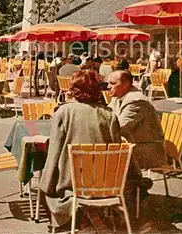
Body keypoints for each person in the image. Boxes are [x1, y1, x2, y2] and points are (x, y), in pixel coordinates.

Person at [39, 70, 124, 230]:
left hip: (73, 182)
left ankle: (82, 218)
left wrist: (46, 182)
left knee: (48, 185)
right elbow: (116, 149)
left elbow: (54, 152)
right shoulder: (109, 114)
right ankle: (91, 214)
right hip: (104, 182)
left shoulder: (64, 112)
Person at [108, 70, 166, 170]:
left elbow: (120, 128)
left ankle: (125, 185)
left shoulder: (136, 101)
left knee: (104, 160)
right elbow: (108, 117)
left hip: (148, 150)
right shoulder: (118, 96)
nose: (108, 86)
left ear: (126, 84)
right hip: (134, 145)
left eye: (113, 83)